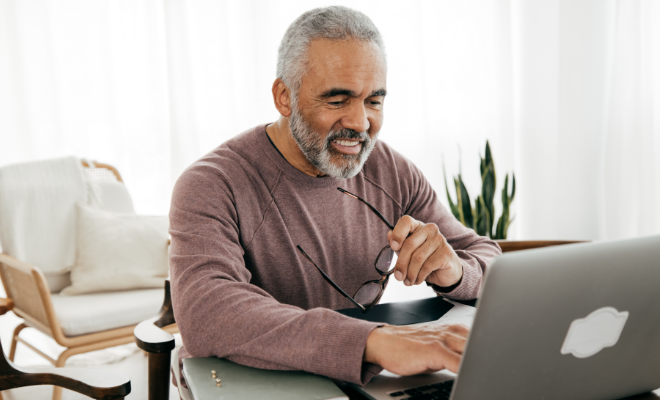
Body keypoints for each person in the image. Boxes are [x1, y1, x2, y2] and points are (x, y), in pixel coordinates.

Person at [169, 6, 501, 387]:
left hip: (356, 379)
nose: (360, 124)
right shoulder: (211, 183)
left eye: (374, 101)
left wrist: (456, 270)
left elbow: (487, 258)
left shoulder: (391, 169)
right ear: (284, 97)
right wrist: (373, 342)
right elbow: (207, 314)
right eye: (338, 100)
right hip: (243, 382)